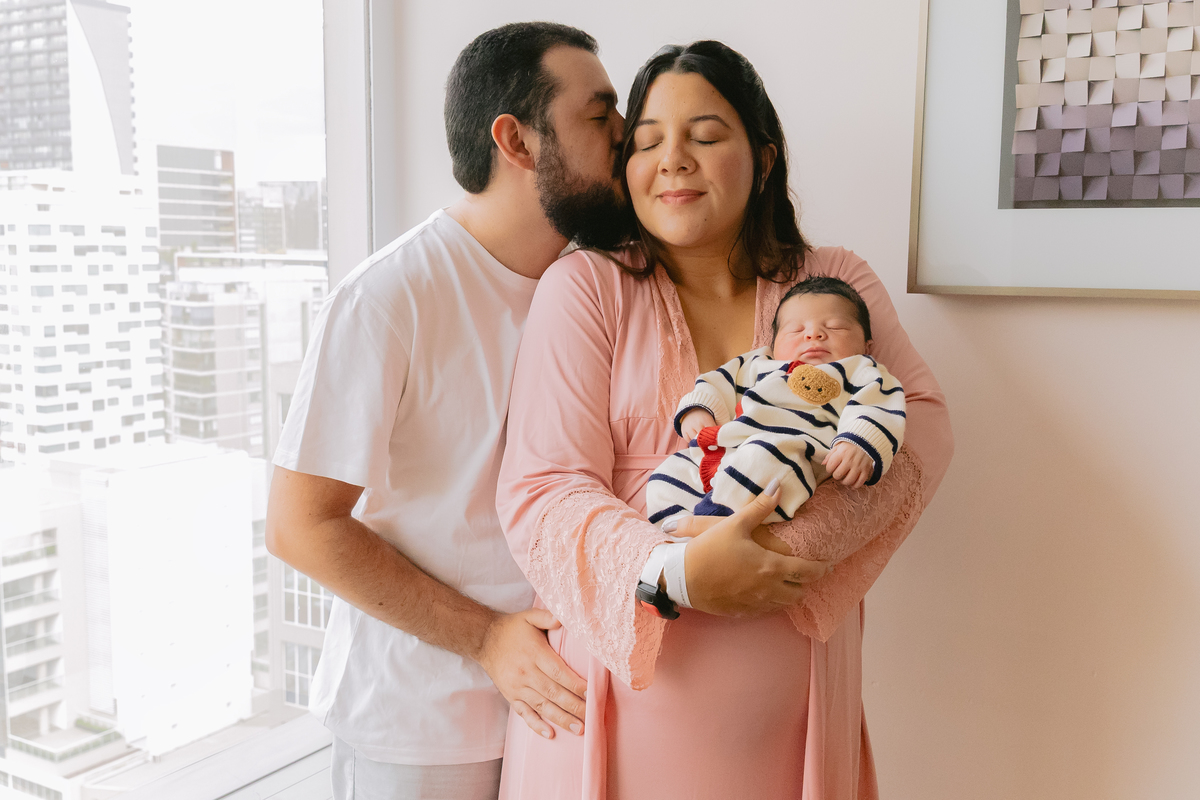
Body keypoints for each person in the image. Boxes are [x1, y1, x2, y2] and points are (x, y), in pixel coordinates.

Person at [495, 40, 954, 799]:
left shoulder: (833, 283)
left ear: (764, 158)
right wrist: (681, 573)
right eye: (645, 142)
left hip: (796, 710)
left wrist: (776, 553)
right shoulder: (585, 287)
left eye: (705, 137)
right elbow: (544, 489)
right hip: (614, 704)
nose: (673, 160)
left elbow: (923, 428)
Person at [265, 22, 630, 800]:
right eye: (601, 118)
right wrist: (488, 638)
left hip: (559, 715)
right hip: (418, 734)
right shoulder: (390, 297)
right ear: (517, 141)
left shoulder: (591, 288)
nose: (629, 142)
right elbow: (302, 526)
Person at [645, 276, 906, 538]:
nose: (813, 334)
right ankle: (674, 537)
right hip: (728, 450)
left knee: (764, 459)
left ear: (866, 346)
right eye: (795, 330)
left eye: (835, 327)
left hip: (792, 454)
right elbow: (717, 382)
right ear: (774, 344)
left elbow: (879, 408)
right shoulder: (759, 363)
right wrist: (700, 408)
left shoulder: (861, 371)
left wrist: (858, 445)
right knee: (665, 477)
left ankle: (714, 525)